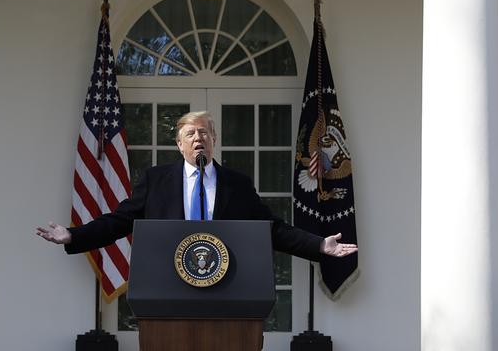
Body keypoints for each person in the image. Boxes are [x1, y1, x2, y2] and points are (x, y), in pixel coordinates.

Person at [37, 111, 358, 261]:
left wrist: (319, 244)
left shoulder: (237, 184)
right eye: (190, 134)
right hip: (168, 280)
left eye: (204, 133)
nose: (198, 138)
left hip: (223, 282)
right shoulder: (156, 180)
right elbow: (119, 222)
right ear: (179, 145)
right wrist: (74, 235)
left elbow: (272, 229)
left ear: (214, 140)